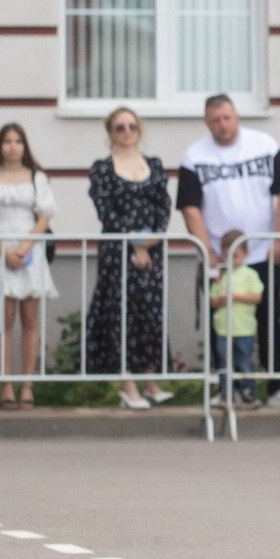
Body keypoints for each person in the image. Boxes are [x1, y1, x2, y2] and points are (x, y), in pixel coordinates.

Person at [179, 95, 280, 408]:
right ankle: (226, 388)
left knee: (268, 320)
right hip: (219, 261)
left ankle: (277, 387)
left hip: (260, 254)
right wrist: (207, 249)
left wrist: (279, 238)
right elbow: (190, 207)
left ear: (236, 116)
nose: (222, 125)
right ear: (207, 122)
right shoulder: (194, 156)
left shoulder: (264, 144)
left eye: (227, 118)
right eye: (215, 120)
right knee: (220, 325)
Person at [87, 108, 172, 410]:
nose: (126, 132)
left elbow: (164, 207)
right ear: (110, 132)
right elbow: (106, 212)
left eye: (131, 126)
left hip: (153, 252)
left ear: (140, 130)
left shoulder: (154, 165)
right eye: (120, 127)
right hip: (118, 252)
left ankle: (151, 380)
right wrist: (136, 245)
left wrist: (150, 242)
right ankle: (128, 383)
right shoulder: (102, 169)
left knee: (148, 313)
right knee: (120, 312)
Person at [0, 122, 61, 409]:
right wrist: (4, 249)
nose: (12, 146)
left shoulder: (38, 178)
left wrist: (25, 246)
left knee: (31, 320)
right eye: (7, 141)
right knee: (4, 321)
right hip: (0, 250)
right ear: (0, 146)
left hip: (29, 250)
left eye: (18, 141)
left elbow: (44, 217)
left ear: (25, 146)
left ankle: (28, 384)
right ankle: (5, 383)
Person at [210, 228, 266, 406]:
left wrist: (235, 297)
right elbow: (212, 300)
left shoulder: (250, 274)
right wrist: (222, 298)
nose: (231, 261)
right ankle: (227, 393)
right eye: (227, 256)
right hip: (224, 328)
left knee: (244, 361)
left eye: (236, 256)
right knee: (224, 362)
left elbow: (257, 297)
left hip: (244, 328)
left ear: (245, 254)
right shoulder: (221, 276)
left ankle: (247, 392)